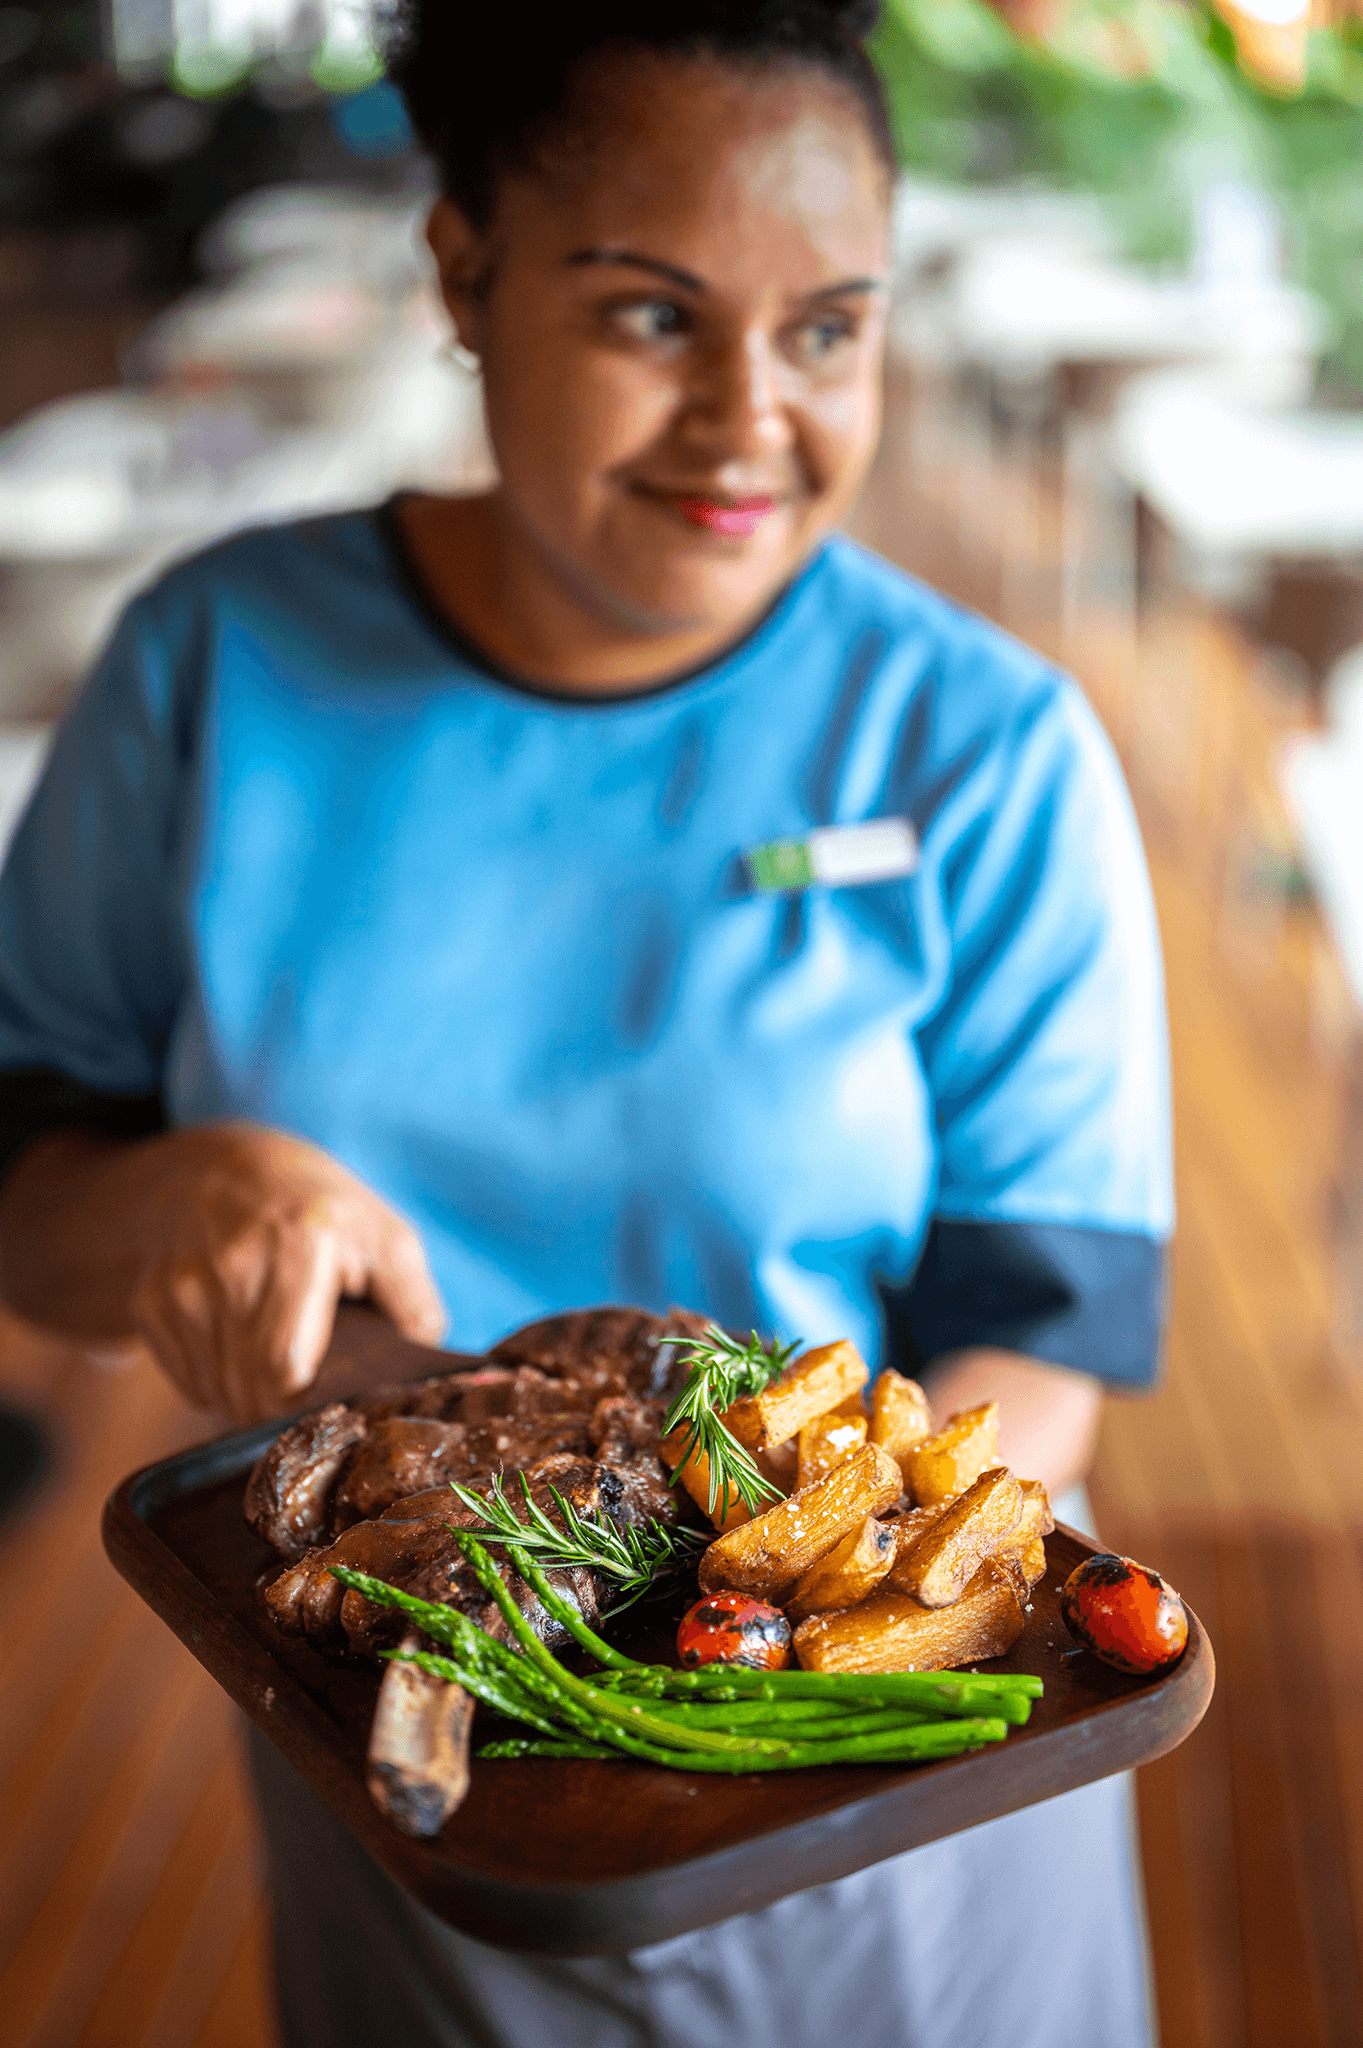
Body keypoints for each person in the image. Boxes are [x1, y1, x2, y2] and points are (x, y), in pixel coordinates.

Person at [0, 3, 1172, 2043]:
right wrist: (182, 1191)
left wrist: (723, 1690)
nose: (751, 418)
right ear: (462, 273)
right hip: (422, 1769)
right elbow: (27, 1183)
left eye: (829, 328)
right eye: (653, 317)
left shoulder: (985, 749)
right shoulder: (212, 674)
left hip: (888, 1809)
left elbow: (1039, 1345)